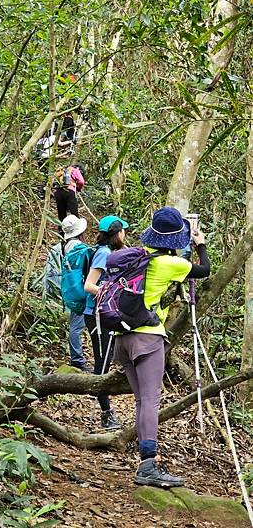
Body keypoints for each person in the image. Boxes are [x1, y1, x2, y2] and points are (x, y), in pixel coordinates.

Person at [113, 206, 210, 487]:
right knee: (151, 400)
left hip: (122, 338)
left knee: (142, 400)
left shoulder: (141, 254)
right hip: (148, 338)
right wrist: (200, 244)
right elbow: (203, 270)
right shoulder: (172, 264)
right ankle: (148, 466)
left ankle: (146, 462)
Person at [84, 215, 129, 430]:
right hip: (97, 316)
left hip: (103, 315)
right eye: (123, 231)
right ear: (117, 233)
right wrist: (111, 291)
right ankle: (106, 413)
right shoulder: (103, 254)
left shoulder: (109, 252)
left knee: (105, 360)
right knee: (102, 364)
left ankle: (105, 409)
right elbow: (89, 285)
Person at [62, 214, 91, 372]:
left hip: (72, 291)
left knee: (75, 325)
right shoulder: (80, 248)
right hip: (82, 291)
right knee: (77, 327)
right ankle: (77, 360)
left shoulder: (67, 246)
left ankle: (77, 358)